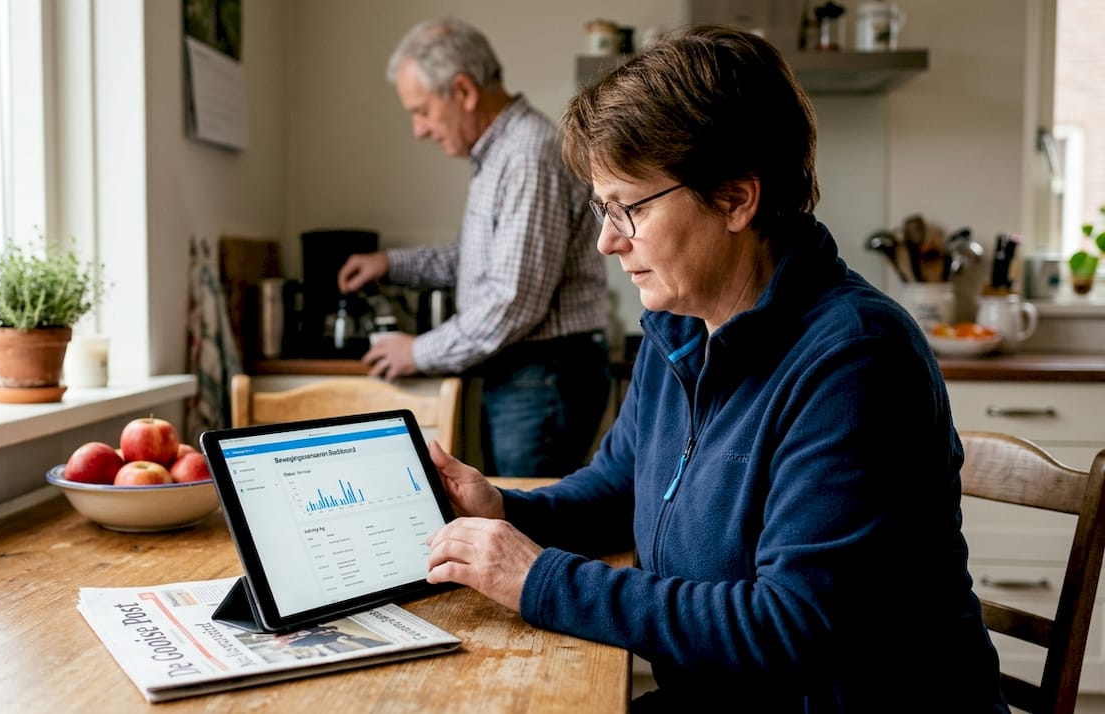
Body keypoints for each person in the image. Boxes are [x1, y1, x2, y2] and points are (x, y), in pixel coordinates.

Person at [422, 25, 1008, 712]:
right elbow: (619, 489)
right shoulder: (680, 328)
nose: (609, 240)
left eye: (628, 208)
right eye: (601, 208)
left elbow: (789, 623)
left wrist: (540, 579)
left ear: (735, 197)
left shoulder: (857, 358)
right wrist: (507, 510)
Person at [337, 17, 609, 478]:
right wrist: (389, 264)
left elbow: (514, 298)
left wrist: (418, 351)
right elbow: (477, 259)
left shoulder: (526, 154)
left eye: (422, 111)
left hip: (543, 376)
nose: (418, 130)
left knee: (529, 527)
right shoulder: (500, 152)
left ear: (463, 91)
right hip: (529, 375)